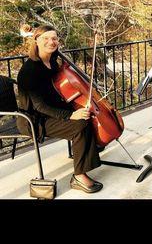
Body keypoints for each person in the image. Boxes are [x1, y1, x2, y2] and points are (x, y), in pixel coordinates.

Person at [16, 25, 103, 193]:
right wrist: (71, 115)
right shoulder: (30, 71)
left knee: (86, 114)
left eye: (54, 38)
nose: (51, 42)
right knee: (80, 125)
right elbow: (40, 106)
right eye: (46, 39)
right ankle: (79, 176)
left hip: (51, 111)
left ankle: (86, 151)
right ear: (36, 41)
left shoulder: (52, 61)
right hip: (34, 119)